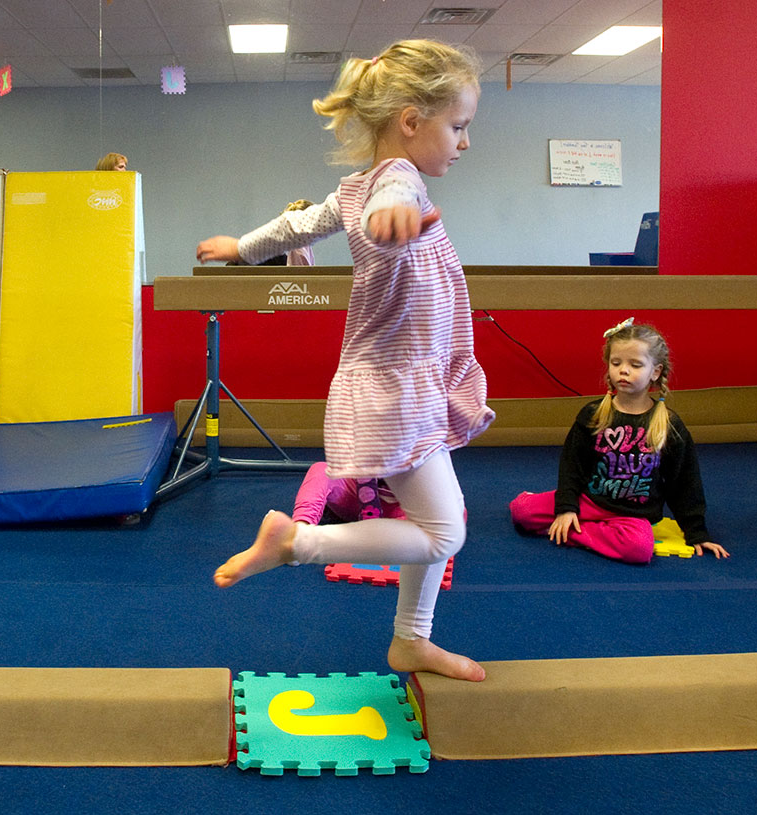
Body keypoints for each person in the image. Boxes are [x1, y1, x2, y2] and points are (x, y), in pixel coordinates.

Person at [195, 39, 494, 682]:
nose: (465, 143)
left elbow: (295, 227)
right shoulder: (394, 182)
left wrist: (240, 247)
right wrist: (397, 209)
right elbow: (397, 192)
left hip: (400, 380)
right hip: (399, 388)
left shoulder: (355, 188)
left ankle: (412, 639)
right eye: (459, 126)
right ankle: (301, 544)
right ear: (411, 121)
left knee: (434, 520)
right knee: (445, 535)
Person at [509, 319, 728, 564]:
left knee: (639, 549)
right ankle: (575, 524)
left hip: (632, 515)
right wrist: (567, 508)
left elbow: (685, 480)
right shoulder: (592, 414)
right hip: (589, 502)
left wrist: (696, 531)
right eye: (616, 363)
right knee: (522, 510)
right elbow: (572, 466)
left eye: (635, 365)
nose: (623, 371)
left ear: (655, 372)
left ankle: (570, 531)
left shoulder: (669, 424)